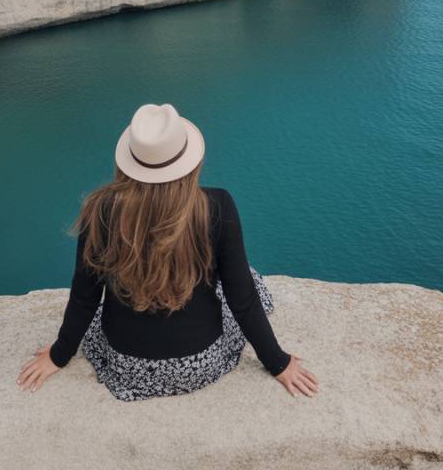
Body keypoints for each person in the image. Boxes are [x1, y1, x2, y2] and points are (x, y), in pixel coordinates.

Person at [17, 103, 319, 401]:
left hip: (127, 366)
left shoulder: (101, 211)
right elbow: (243, 299)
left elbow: (86, 297)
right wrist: (278, 362)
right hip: (199, 362)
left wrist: (59, 354)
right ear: (190, 163)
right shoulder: (216, 206)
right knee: (248, 278)